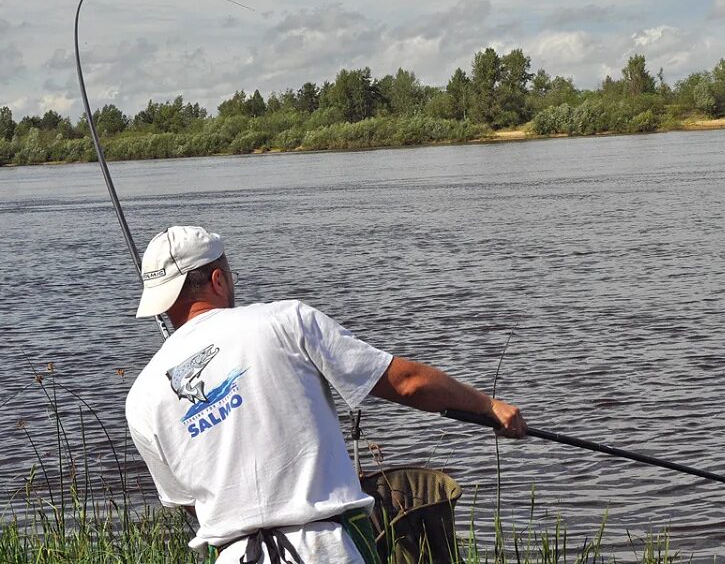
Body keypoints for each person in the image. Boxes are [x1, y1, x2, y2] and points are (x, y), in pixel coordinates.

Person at [126, 225, 526, 564]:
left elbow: (189, 502)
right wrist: (488, 406)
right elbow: (408, 383)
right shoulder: (284, 321)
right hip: (323, 548)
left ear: (160, 303)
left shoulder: (141, 397)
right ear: (218, 279)